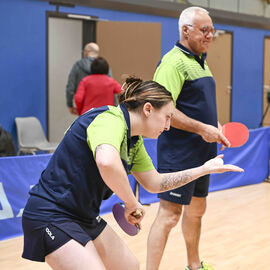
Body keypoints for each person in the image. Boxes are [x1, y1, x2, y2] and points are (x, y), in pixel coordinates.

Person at [21, 76, 242, 270]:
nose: (168, 126)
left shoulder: (133, 141)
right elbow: (106, 161)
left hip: (82, 215)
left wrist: (203, 169)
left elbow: (154, 183)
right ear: (148, 109)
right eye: (167, 117)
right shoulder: (110, 120)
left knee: (129, 266)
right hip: (49, 214)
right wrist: (132, 203)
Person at [147, 7, 230, 270]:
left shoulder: (200, 60)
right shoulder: (173, 61)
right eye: (204, 30)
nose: (210, 35)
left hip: (202, 152)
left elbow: (196, 104)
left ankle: (194, 265)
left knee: (197, 210)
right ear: (186, 30)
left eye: (212, 30)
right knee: (170, 215)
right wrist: (201, 128)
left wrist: (213, 125)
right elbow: (164, 109)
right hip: (179, 152)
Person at [66, 42, 113, 115]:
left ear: (86, 52)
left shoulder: (78, 65)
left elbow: (70, 87)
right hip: (104, 109)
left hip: (85, 110)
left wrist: (70, 105)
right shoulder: (105, 66)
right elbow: (112, 87)